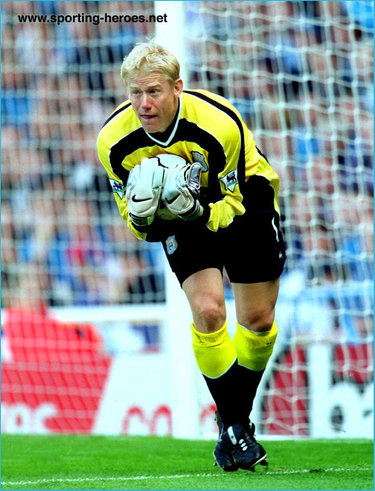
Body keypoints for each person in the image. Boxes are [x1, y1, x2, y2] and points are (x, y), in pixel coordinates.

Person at [97, 40, 286, 472]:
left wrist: (197, 209)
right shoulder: (113, 142)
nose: (144, 103)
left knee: (257, 321)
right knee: (208, 311)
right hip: (176, 213)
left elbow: (232, 203)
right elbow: (133, 219)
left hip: (243, 203)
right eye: (135, 93)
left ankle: (232, 419)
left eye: (154, 91)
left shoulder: (219, 123)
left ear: (177, 87)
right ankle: (236, 428)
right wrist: (146, 219)